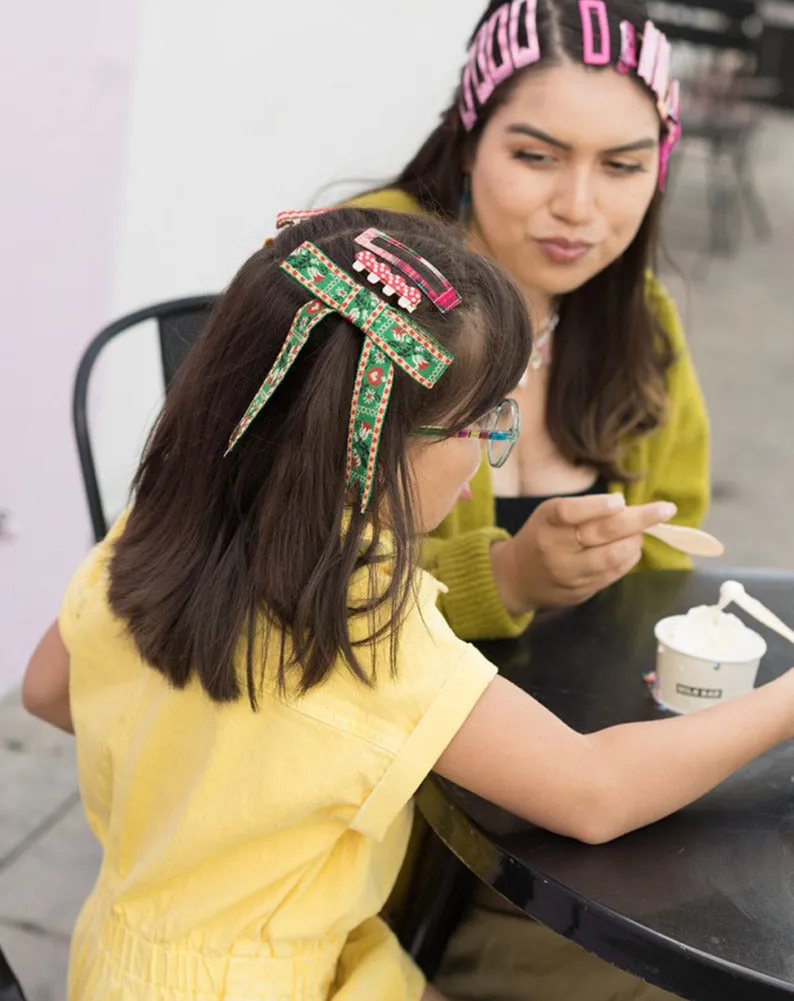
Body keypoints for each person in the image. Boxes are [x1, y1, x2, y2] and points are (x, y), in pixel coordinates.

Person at [21, 207, 779, 1001]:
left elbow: (46, 691)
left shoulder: (160, 521)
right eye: (485, 422)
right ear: (373, 443)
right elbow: (595, 791)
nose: (493, 449)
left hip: (126, 952)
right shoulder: (363, 622)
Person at [344, 0, 709, 998]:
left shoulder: (634, 323)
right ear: (468, 137)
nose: (577, 208)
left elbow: (674, 555)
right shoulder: (366, 291)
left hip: (566, 785)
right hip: (387, 821)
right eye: (534, 155)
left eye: (622, 165)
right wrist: (497, 573)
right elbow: (271, 586)